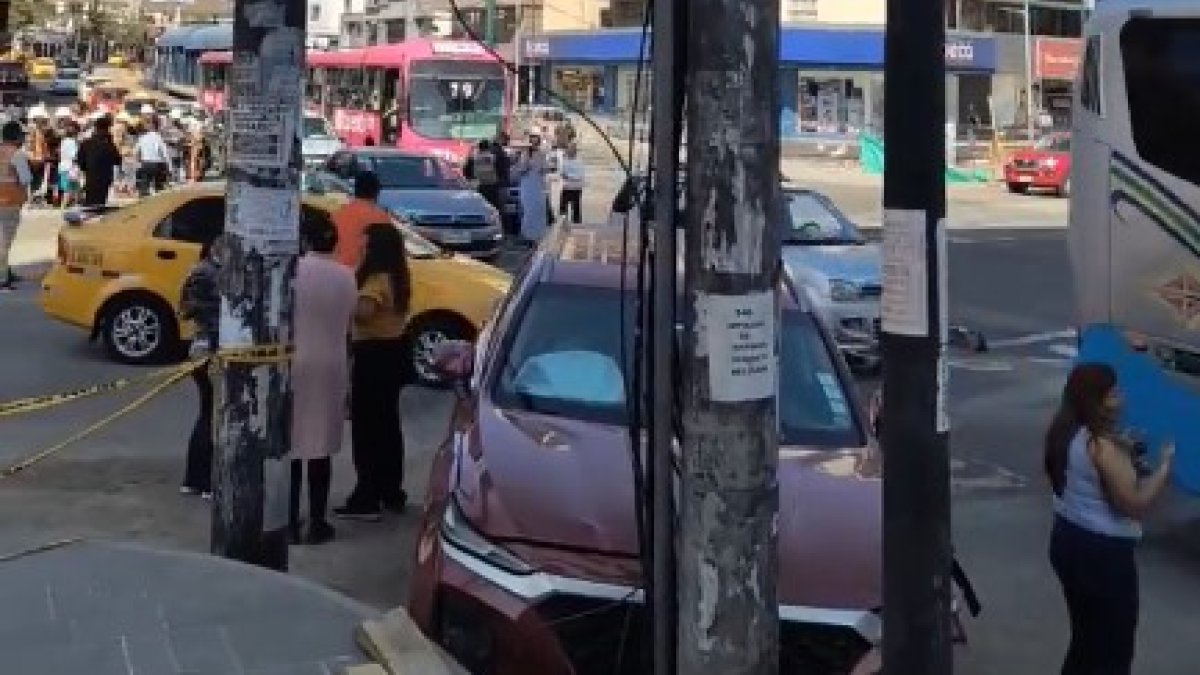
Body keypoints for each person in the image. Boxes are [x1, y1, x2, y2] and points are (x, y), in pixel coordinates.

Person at [1045, 363, 1175, 674]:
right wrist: (1164, 469)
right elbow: (1134, 505)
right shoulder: (1100, 446)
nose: (1121, 399)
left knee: (1085, 639)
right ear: (1096, 399)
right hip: (1103, 556)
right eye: (1113, 393)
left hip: (1067, 539)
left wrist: (1123, 456)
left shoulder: (1064, 431)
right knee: (1113, 649)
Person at [335, 222, 412, 521]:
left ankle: (366, 496)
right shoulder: (397, 276)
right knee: (388, 427)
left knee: (367, 429)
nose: (361, 250)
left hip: (374, 356)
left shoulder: (376, 281)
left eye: (365, 245)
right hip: (393, 352)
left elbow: (364, 313)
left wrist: (345, 299)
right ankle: (391, 491)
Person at [290, 216, 357, 545]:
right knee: (320, 447)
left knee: (291, 442)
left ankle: (287, 520)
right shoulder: (347, 277)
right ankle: (317, 521)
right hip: (331, 364)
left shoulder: (292, 273)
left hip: (293, 361)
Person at [178, 235, 226, 499]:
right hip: (212, 350)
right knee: (214, 415)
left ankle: (195, 479)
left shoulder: (199, 272)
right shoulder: (210, 274)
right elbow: (191, 309)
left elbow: (184, 309)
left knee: (207, 413)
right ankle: (205, 481)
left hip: (202, 348)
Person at [330, 170, 391, 269]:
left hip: (336, 272)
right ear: (376, 191)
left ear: (355, 190)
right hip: (361, 275)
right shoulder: (380, 217)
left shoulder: (338, 214)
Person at [0, 121, 32, 291]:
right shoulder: (16, 154)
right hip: (9, 203)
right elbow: (26, 178)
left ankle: (7, 272)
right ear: (17, 136)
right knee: (4, 243)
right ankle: (3, 279)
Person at [77, 114, 122, 207]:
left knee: (90, 202)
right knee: (100, 203)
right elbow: (118, 160)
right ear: (107, 129)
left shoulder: (86, 143)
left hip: (91, 176)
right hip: (105, 178)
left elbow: (80, 161)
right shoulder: (109, 145)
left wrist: (86, 169)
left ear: (96, 128)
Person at [515, 133, 550, 245]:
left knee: (538, 209)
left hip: (537, 185)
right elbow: (521, 170)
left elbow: (544, 169)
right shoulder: (525, 154)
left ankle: (538, 235)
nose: (534, 144)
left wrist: (545, 169)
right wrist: (526, 167)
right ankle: (527, 235)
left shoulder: (541, 154)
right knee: (528, 210)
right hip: (528, 185)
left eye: (536, 142)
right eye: (532, 142)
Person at [134, 116, 172, 196]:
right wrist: (169, 167)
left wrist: (137, 163)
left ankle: (144, 201)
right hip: (158, 164)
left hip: (146, 164)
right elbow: (165, 152)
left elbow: (136, 151)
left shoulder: (142, 138)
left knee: (144, 185)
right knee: (159, 188)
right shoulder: (158, 137)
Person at [557, 143, 585, 224]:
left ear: (575, 151)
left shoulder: (579, 162)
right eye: (568, 149)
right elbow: (561, 172)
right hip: (566, 187)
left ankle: (577, 224)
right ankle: (562, 224)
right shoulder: (564, 161)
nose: (568, 151)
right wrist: (562, 174)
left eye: (571, 149)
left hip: (576, 188)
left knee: (576, 208)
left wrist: (568, 176)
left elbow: (580, 176)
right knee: (563, 208)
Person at [57, 120, 82, 209]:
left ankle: (75, 205)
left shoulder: (63, 141)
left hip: (64, 167)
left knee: (75, 188)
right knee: (69, 189)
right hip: (70, 168)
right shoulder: (72, 142)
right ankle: (63, 207)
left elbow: (60, 154)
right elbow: (74, 156)